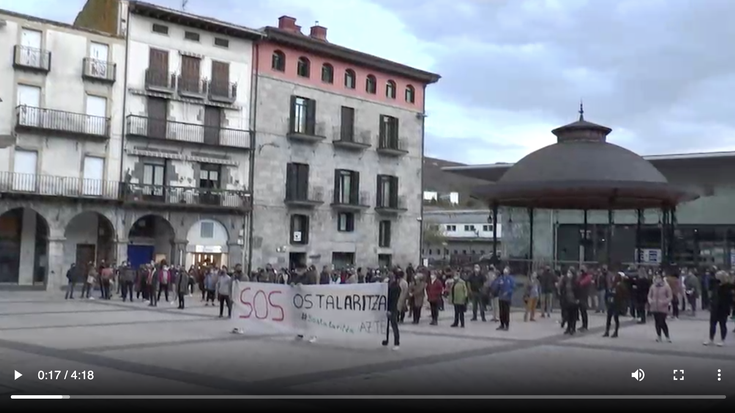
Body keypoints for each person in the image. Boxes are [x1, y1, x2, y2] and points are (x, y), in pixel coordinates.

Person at [704, 271, 734, 347]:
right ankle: (711, 339)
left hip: (723, 308)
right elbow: (712, 294)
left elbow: (730, 298)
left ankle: (722, 340)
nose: (716, 278)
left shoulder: (728, 286)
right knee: (712, 324)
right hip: (715, 307)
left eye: (718, 276)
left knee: (722, 324)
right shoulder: (716, 284)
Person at [382, 271, 406, 350]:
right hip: (388, 307)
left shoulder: (396, 287)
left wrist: (390, 310)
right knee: (387, 326)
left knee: (394, 325)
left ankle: (396, 343)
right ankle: (386, 340)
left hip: (392, 309)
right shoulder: (390, 285)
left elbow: (393, 300)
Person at [648, 272, 673, 342]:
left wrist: (665, 302)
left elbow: (670, 296)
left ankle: (667, 336)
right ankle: (658, 336)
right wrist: (650, 301)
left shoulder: (666, 286)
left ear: (662, 279)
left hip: (663, 308)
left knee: (662, 322)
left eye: (659, 278)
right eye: (656, 278)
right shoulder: (653, 286)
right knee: (657, 322)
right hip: (654, 307)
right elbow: (649, 295)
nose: (657, 279)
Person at [603, 272, 628, 338]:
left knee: (615, 318)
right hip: (611, 303)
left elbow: (624, 295)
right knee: (609, 317)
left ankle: (615, 332)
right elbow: (609, 293)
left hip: (617, 303)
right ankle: (607, 331)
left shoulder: (621, 285)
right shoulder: (613, 285)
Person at [491, 267, 516, 331]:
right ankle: (502, 324)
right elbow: (496, 286)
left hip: (507, 298)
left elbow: (513, 287)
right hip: (501, 297)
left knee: (506, 312)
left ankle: (507, 325)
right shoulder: (501, 278)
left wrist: (508, 292)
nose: (505, 272)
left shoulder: (511, 279)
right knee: (501, 312)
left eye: (506, 270)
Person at [560, 268, 579, 335]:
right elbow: (562, 289)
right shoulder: (565, 281)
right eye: (568, 272)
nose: (569, 274)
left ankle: (573, 328)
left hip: (573, 300)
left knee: (573, 315)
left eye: (570, 273)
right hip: (567, 299)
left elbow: (578, 291)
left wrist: (577, 299)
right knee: (567, 315)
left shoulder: (576, 281)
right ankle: (568, 328)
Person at [577, 267, 593, 331]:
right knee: (582, 311)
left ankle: (585, 326)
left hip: (584, 295)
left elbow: (581, 283)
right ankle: (583, 325)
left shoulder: (587, 277)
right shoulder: (581, 276)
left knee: (584, 311)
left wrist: (579, 281)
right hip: (580, 295)